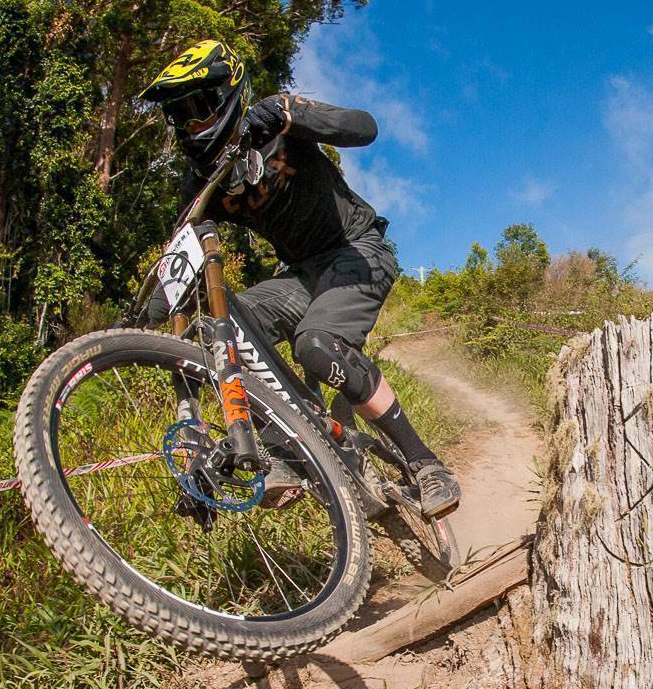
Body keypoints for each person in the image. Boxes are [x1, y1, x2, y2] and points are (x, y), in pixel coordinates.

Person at [138, 40, 460, 518]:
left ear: (230, 96)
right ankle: (290, 440)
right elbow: (177, 266)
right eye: (178, 116)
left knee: (317, 343)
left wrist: (291, 115)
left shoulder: (273, 118)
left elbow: (364, 128)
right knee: (223, 320)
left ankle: (425, 464)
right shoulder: (201, 182)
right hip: (300, 276)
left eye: (199, 107)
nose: (191, 125)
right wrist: (149, 311)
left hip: (356, 250)